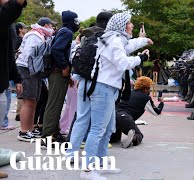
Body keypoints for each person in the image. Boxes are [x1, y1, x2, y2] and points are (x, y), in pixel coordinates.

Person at [67, 13, 153, 180]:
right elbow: (123, 62)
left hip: (105, 88)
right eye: (130, 23)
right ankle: (88, 170)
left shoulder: (114, 38)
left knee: (107, 129)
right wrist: (141, 58)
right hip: (103, 88)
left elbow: (128, 46)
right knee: (98, 129)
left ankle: (100, 163)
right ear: (122, 25)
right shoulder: (114, 40)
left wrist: (144, 40)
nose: (132, 26)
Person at [41, 10, 80, 142]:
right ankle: (48, 135)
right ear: (70, 21)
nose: (77, 23)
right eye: (75, 20)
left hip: (57, 72)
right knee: (54, 104)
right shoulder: (67, 32)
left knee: (56, 103)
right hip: (57, 72)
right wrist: (64, 66)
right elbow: (56, 49)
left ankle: (54, 132)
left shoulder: (62, 31)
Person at [16, 17, 54, 141]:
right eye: (50, 25)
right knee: (28, 101)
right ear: (45, 25)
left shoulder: (40, 35)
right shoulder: (35, 35)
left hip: (33, 71)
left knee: (33, 101)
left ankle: (30, 129)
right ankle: (23, 131)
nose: (51, 28)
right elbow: (28, 55)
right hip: (28, 69)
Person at [0, 0, 27, 177]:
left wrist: (16, 77)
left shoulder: (7, 24)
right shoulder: (4, 18)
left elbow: (8, 53)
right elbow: (8, 13)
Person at [110, 76, 164, 148]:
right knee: (139, 135)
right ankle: (133, 139)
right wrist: (161, 103)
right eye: (149, 89)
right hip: (125, 118)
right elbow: (156, 112)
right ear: (145, 89)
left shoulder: (129, 93)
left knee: (116, 138)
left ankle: (110, 138)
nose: (149, 91)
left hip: (113, 116)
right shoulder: (145, 97)